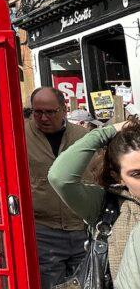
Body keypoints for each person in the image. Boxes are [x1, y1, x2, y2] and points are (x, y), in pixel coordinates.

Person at [49, 113, 140, 287]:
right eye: (136, 174)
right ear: (117, 177)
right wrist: (107, 131)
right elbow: (60, 177)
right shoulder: (107, 205)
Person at [27, 87, 90, 289]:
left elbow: (97, 176)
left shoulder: (83, 136)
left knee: (85, 282)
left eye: (50, 112)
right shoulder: (18, 135)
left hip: (80, 227)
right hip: (42, 230)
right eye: (37, 112)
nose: (43, 118)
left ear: (64, 110)